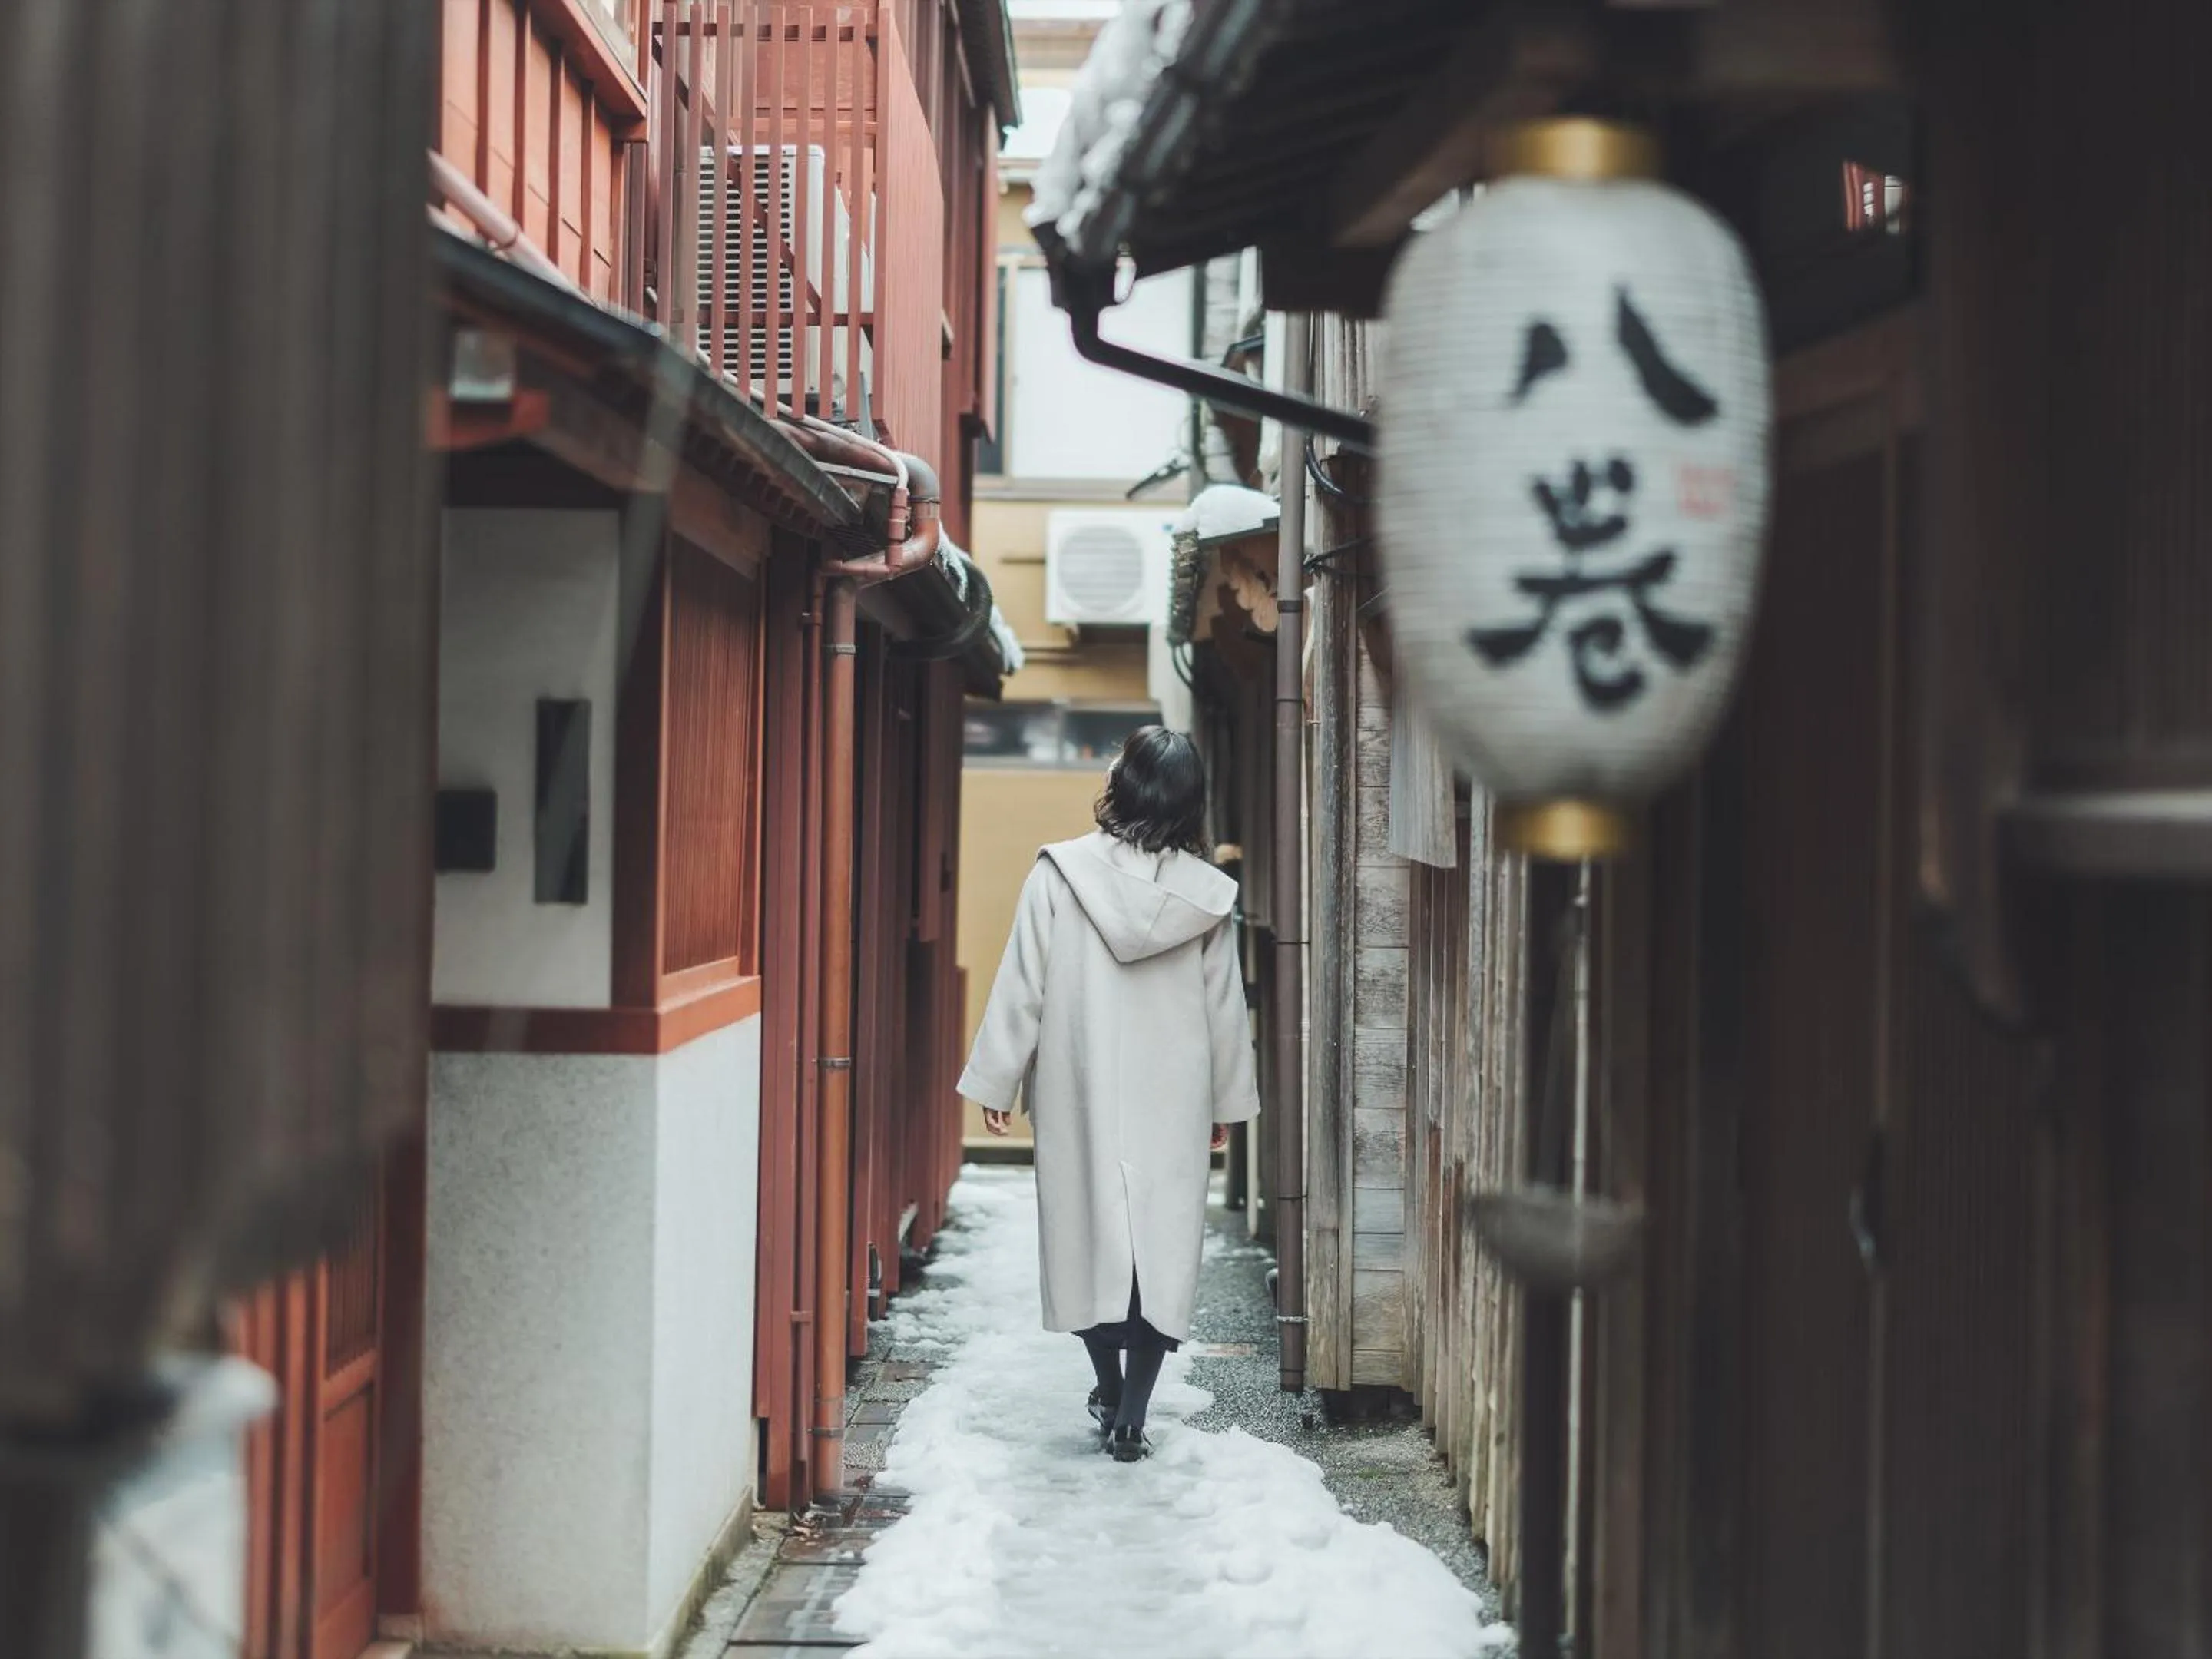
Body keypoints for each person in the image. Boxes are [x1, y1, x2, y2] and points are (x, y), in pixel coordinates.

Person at [958, 727, 1261, 1462]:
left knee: (1083, 1234)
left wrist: (999, 1077)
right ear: (1191, 801)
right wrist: (1225, 1102)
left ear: (1123, 785)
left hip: (1079, 1079)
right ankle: (1132, 1410)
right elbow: (1225, 1007)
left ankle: (1105, 1383)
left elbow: (1024, 980)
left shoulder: (1060, 873)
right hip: (1174, 1085)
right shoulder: (1208, 897)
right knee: (1160, 1243)